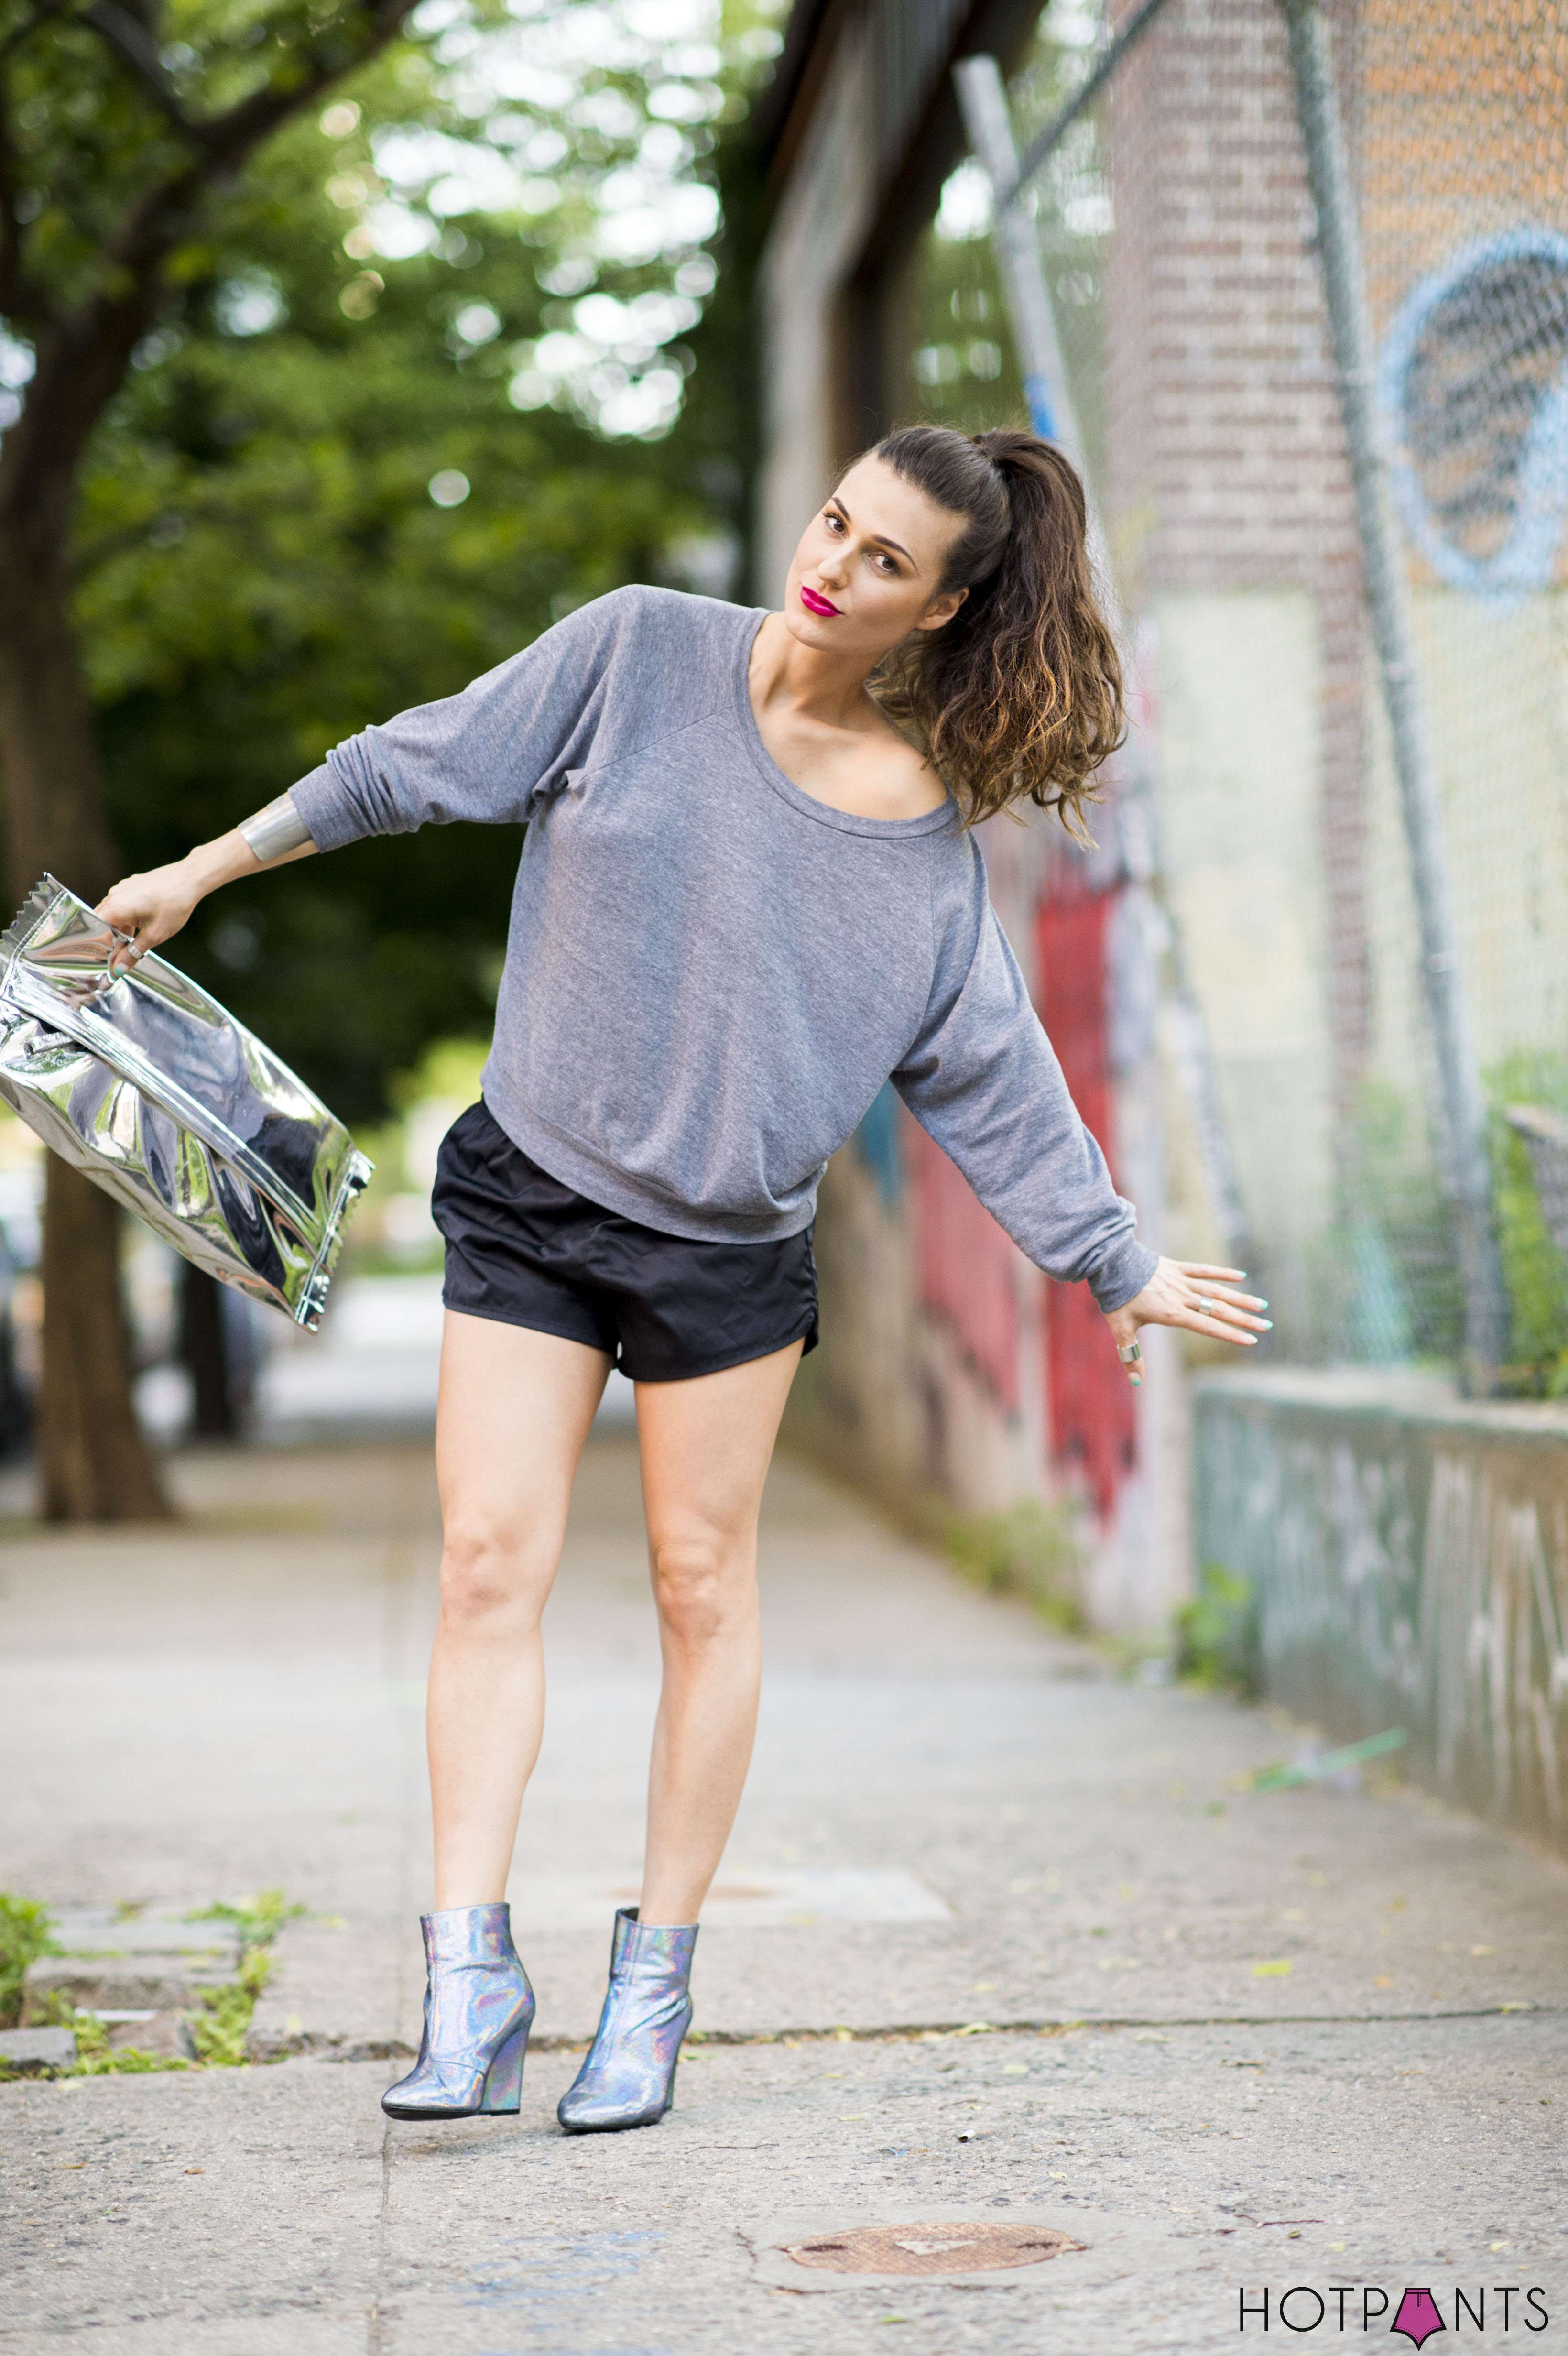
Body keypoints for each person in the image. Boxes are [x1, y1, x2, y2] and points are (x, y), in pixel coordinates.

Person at [98, 423, 1268, 2135]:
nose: (834, 566)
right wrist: (204, 868)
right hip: (531, 1193)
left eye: (886, 563)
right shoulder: (639, 651)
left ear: (942, 613)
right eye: (835, 522)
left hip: (725, 1254)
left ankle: (652, 1993)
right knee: (487, 1558)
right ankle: (468, 1980)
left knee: (699, 1584)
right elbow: (407, 765)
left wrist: (1114, 1261)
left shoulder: (925, 856)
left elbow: (992, 1077)